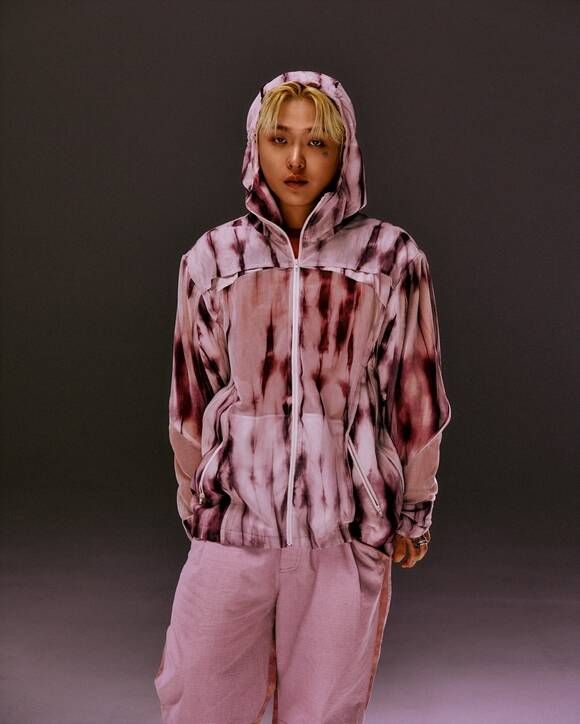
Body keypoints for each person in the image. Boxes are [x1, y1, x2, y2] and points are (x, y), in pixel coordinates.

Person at [154, 69, 452, 724]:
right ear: (254, 147)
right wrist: (198, 501)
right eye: (280, 139)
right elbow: (190, 397)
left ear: (344, 153)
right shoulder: (214, 258)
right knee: (196, 698)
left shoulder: (389, 259)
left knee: (322, 713)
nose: (295, 160)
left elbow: (416, 397)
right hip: (234, 526)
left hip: (343, 529)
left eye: (316, 142)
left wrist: (414, 509)